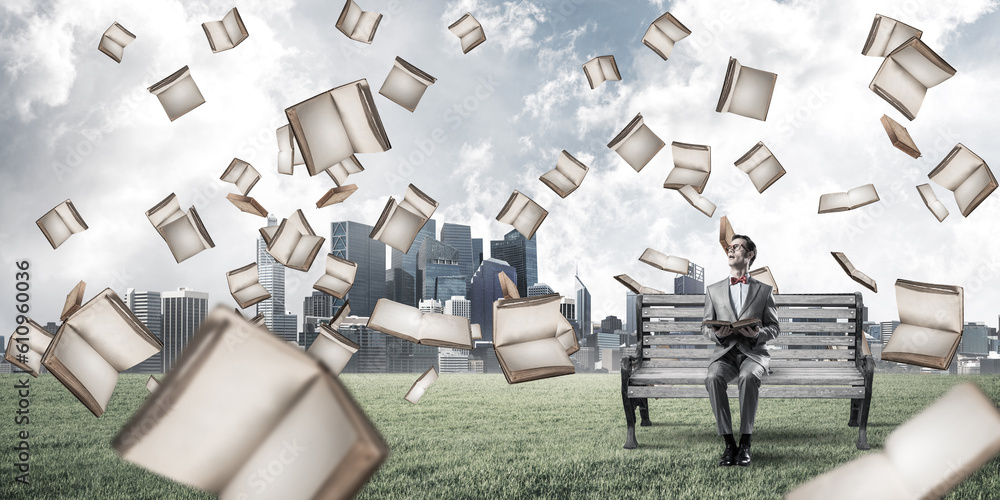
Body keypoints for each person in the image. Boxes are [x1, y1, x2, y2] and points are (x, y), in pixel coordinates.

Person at [702, 234, 780, 467]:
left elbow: (774, 328)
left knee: (747, 376)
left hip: (753, 353)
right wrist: (717, 334)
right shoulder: (713, 290)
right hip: (724, 354)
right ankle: (729, 444)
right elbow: (704, 326)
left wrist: (757, 335)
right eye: (729, 247)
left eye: (736, 246)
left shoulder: (764, 291)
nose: (730, 249)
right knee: (713, 377)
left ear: (750, 254)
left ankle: (745, 443)